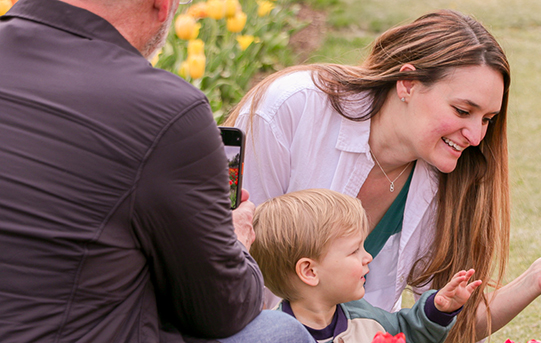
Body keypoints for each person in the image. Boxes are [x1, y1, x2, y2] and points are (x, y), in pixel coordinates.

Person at [224, 9, 541, 342]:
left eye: (487, 119)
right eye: (462, 111)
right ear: (407, 82)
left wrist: (535, 277)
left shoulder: (453, 178)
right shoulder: (289, 110)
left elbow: (439, 324)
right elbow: (226, 263)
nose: (476, 137)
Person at [0, 0, 311, 342]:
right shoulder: (164, 109)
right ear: (163, 6)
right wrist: (235, 241)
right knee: (280, 331)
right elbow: (222, 310)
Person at [250, 188, 483, 343]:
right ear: (310, 271)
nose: (368, 256)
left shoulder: (364, 317)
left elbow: (407, 331)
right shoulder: (275, 336)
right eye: (354, 251)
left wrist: (437, 310)